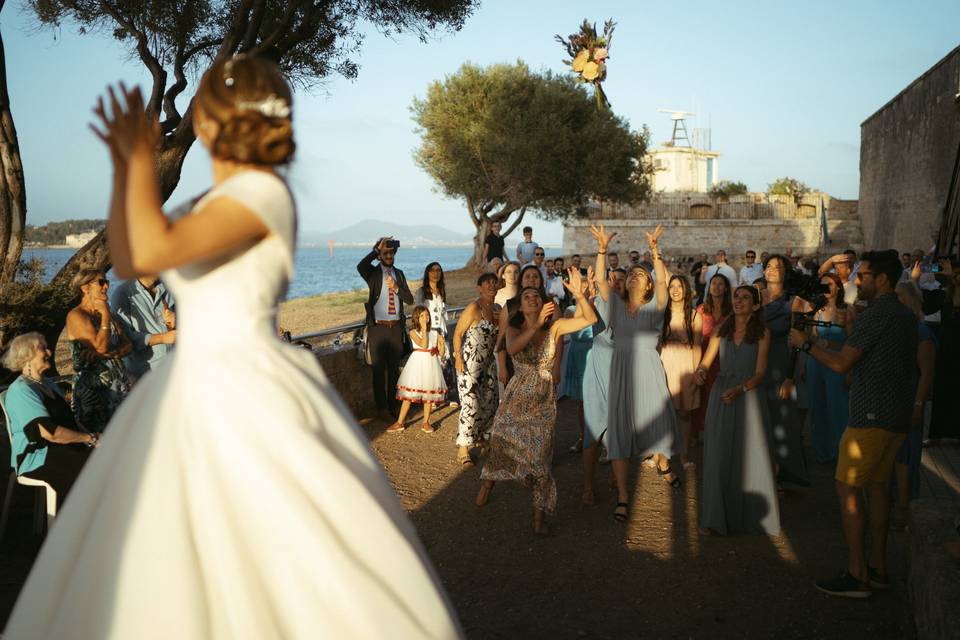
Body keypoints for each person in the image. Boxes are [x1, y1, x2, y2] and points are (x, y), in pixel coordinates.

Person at [5, 57, 462, 638]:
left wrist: (139, 160)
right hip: (187, 386)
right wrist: (127, 169)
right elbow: (133, 251)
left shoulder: (261, 194)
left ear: (224, 119)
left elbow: (149, 246)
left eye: (204, 107)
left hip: (241, 382)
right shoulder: (207, 202)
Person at [789, 250, 917, 599]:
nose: (856, 281)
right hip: (894, 416)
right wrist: (849, 329)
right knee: (876, 488)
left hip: (869, 415)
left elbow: (842, 364)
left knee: (847, 489)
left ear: (883, 280)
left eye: (862, 276)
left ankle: (857, 574)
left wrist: (805, 345)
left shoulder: (879, 313)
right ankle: (878, 567)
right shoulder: (902, 314)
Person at [476, 269, 597, 535]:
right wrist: (533, 325)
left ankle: (538, 520)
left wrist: (579, 294)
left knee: (541, 457)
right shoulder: (515, 327)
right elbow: (513, 349)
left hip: (543, 398)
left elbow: (589, 318)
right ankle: (488, 482)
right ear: (520, 304)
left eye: (536, 295)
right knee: (501, 440)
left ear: (544, 303)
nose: (532, 297)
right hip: (518, 394)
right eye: (527, 295)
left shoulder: (555, 327)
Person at [592, 224, 680, 524]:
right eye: (631, 274)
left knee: (658, 420)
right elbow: (602, 282)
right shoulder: (614, 306)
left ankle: (664, 463)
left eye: (641, 275)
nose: (634, 276)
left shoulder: (655, 307)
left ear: (648, 284)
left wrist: (655, 251)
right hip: (621, 370)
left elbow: (665, 283)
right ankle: (623, 495)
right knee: (619, 429)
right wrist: (602, 249)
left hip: (648, 370)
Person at [696, 286, 779, 536]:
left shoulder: (763, 333)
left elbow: (761, 373)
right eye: (736, 297)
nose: (739, 301)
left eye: (745, 298)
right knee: (718, 453)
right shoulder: (722, 330)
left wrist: (741, 389)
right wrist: (700, 372)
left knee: (748, 454)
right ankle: (715, 518)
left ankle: (748, 516)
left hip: (749, 395)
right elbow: (707, 361)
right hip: (722, 394)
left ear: (755, 305)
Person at [1, 333, 98, 508]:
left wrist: (93, 439)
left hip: (62, 446)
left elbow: (69, 421)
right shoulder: (20, 390)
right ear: (26, 355)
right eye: (42, 348)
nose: (49, 352)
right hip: (37, 455)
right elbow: (48, 432)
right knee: (89, 472)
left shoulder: (48, 384)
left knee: (106, 460)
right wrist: (90, 438)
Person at [890, 282, 936, 530]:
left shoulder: (921, 332)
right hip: (892, 399)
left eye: (898, 296)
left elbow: (927, 373)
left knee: (905, 454)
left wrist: (918, 404)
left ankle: (903, 506)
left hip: (909, 399)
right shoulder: (896, 329)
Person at [761, 254, 809, 487]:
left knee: (780, 417)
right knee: (759, 418)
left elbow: (798, 342)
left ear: (785, 272)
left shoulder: (795, 302)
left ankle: (782, 474)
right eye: (768, 266)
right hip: (756, 361)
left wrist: (790, 378)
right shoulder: (755, 297)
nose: (772, 270)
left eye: (777, 267)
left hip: (781, 362)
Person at [66, 268, 133, 432]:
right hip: (95, 393)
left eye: (107, 282)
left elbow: (128, 345)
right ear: (85, 288)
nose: (106, 287)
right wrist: (105, 315)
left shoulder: (106, 314)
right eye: (101, 283)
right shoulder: (77, 316)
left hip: (118, 387)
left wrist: (109, 354)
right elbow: (100, 346)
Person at [358, 236, 414, 422]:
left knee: (393, 371)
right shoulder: (373, 274)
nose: (389, 255)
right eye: (385, 253)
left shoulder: (399, 274)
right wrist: (376, 250)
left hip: (395, 328)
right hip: (378, 328)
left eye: (391, 252)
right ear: (380, 255)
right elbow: (360, 265)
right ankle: (381, 408)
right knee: (378, 370)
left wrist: (397, 287)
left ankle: (392, 406)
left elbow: (410, 299)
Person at [580, 267, 624, 504]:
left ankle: (618, 480)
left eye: (621, 280)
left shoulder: (631, 308)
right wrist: (583, 294)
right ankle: (588, 485)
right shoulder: (595, 301)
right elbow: (579, 320)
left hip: (621, 373)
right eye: (612, 279)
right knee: (592, 433)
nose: (616, 283)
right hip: (597, 371)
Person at [800, 273, 854, 464]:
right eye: (823, 285)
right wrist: (805, 363)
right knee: (817, 406)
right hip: (816, 362)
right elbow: (811, 337)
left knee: (837, 407)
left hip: (837, 362)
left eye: (830, 284)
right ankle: (823, 452)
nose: (827, 288)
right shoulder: (816, 309)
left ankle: (842, 453)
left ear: (838, 287)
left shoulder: (847, 309)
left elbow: (853, 340)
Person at [453, 273, 501, 466]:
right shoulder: (474, 308)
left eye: (494, 282)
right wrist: (457, 357)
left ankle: (481, 437)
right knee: (470, 404)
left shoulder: (498, 309)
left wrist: (501, 321)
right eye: (487, 282)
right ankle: (463, 448)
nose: (491, 285)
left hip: (489, 362)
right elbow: (458, 333)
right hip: (470, 362)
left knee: (489, 402)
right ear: (479, 287)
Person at [659, 275, 702, 469]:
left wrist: (696, 371)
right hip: (663, 363)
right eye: (672, 286)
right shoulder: (660, 314)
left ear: (687, 290)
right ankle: (659, 454)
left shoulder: (694, 316)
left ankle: (684, 455)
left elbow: (697, 346)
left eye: (680, 286)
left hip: (685, 366)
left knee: (685, 414)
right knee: (661, 413)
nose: (675, 290)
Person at [387, 305, 447, 434]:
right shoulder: (413, 332)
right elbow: (424, 344)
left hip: (431, 364)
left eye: (427, 315)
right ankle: (400, 422)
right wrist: (424, 329)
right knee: (408, 395)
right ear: (416, 318)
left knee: (428, 394)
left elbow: (441, 354)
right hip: (417, 364)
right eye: (422, 316)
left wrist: (441, 344)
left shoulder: (434, 333)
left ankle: (426, 422)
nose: (425, 318)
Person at [111, 274, 177, 381]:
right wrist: (162, 338)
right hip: (145, 374)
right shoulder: (122, 294)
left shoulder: (168, 287)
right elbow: (123, 338)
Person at [691, 273, 733, 442]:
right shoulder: (701, 309)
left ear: (726, 288)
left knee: (720, 394)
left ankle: (719, 429)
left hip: (724, 357)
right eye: (713, 283)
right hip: (704, 356)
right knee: (701, 395)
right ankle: (697, 431)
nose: (716, 286)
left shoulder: (732, 310)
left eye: (720, 284)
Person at [560, 266, 597, 453]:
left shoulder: (596, 307)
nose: (582, 289)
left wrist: (590, 295)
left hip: (594, 354)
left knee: (599, 401)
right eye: (579, 287)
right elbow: (579, 320)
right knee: (582, 403)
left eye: (585, 286)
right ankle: (583, 436)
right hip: (578, 356)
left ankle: (604, 441)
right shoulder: (570, 310)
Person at [415, 261, 457, 407]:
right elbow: (418, 313)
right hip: (430, 332)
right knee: (432, 365)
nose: (436, 273)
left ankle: (448, 395)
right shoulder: (421, 292)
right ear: (427, 273)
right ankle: (431, 398)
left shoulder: (441, 290)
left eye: (438, 270)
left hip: (442, 331)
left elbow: (443, 313)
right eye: (432, 270)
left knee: (446, 363)